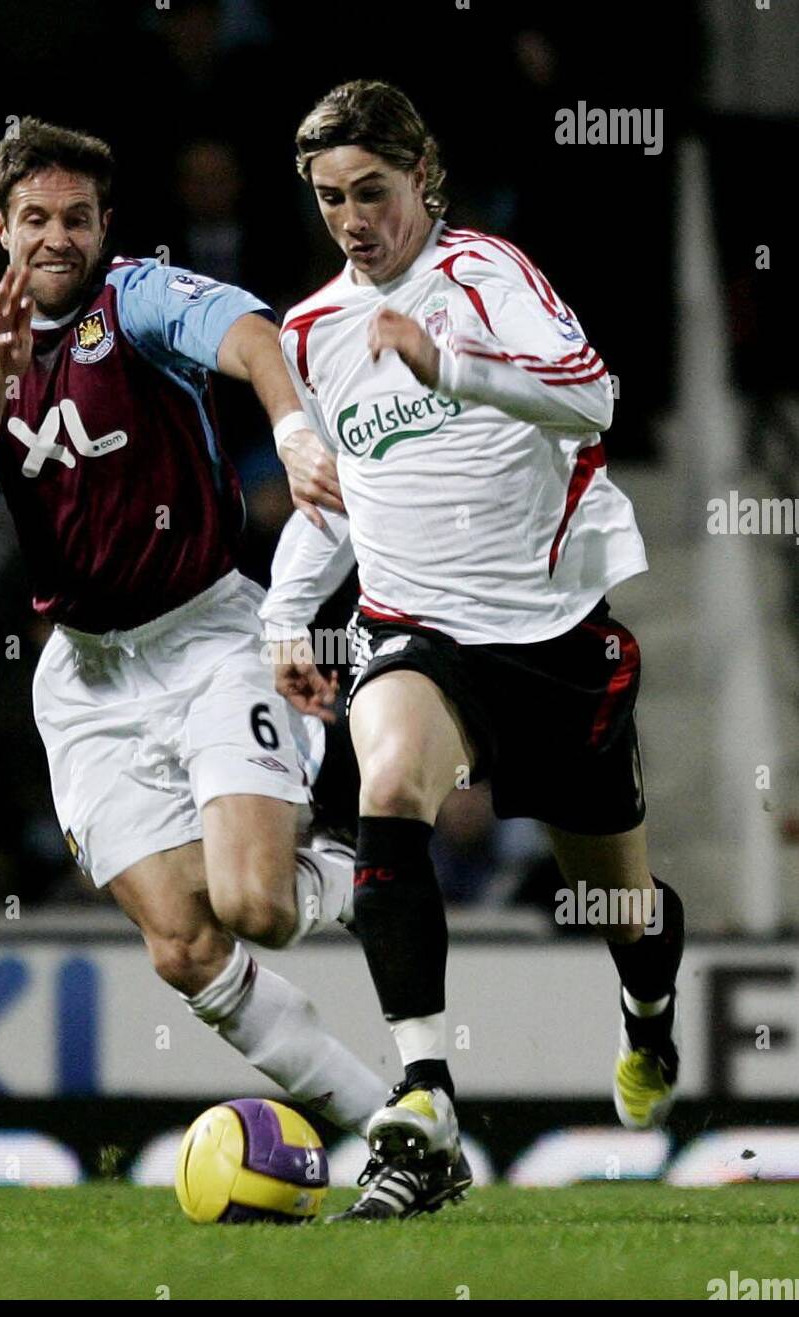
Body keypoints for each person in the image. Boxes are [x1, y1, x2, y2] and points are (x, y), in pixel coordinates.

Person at [0, 116, 388, 1139]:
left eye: (76, 219)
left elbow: (255, 338)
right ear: (0, 227)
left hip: (212, 636)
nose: (57, 238)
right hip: (84, 678)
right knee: (184, 944)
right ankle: (388, 1123)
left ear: (103, 225)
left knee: (257, 905)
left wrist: (294, 425)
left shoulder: (137, 298)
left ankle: (376, 870)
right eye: (35, 218)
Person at [265, 79, 684, 1219]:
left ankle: (649, 1012)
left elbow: (593, 400)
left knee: (623, 910)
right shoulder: (310, 330)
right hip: (412, 626)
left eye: (373, 191)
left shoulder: (485, 278)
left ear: (423, 180)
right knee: (388, 780)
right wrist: (285, 617)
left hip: (548, 635)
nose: (353, 219)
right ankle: (423, 1094)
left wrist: (448, 367)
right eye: (330, 197)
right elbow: (338, 501)